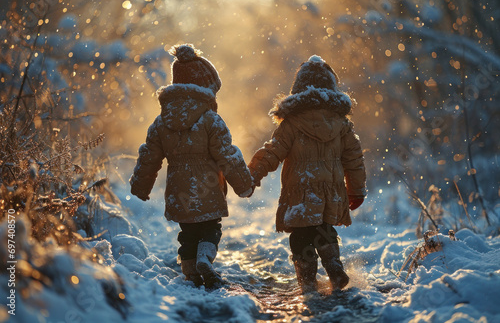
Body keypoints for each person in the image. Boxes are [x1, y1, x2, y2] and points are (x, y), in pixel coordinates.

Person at [130, 44, 253, 288]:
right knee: (210, 228)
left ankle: (191, 273)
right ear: (206, 87)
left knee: (187, 233)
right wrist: (244, 184)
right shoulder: (210, 120)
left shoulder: (161, 121)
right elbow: (227, 155)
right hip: (207, 188)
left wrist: (140, 186)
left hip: (179, 190)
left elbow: (149, 156)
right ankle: (205, 259)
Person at [248, 55, 366, 293]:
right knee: (324, 230)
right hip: (330, 193)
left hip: (300, 193)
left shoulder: (291, 124)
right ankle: (334, 268)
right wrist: (356, 190)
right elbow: (354, 160)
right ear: (332, 88)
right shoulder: (342, 125)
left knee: (301, 237)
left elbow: (273, 152)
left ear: (298, 90)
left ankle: (309, 282)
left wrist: (253, 172)